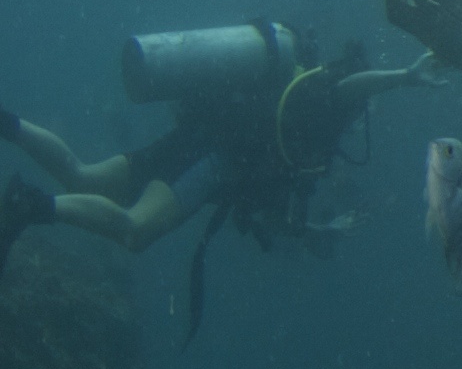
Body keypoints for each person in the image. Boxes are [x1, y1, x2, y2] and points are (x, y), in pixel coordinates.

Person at [0, 20, 437, 302]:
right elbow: (351, 90)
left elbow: (270, 208)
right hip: (208, 162)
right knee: (135, 230)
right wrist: (404, 77)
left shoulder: (297, 102)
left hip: (193, 138)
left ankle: (8, 125)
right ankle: (31, 205)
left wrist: (317, 230)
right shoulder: (321, 107)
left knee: (82, 176)